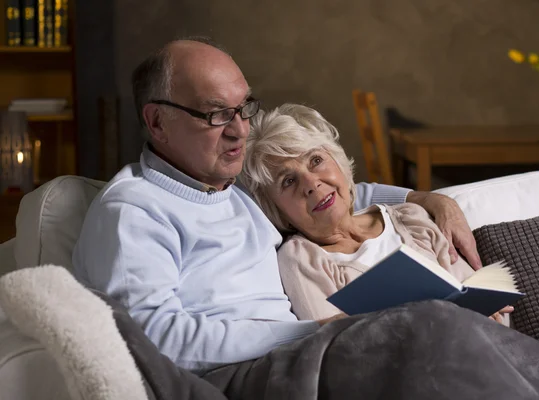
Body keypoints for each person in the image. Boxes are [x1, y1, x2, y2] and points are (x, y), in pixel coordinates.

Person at [72, 36, 483, 376]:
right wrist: (311, 332)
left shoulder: (232, 189)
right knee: (437, 334)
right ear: (158, 122)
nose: (238, 131)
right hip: (236, 376)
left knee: (447, 337)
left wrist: (429, 199)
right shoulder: (132, 211)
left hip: (297, 359)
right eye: (217, 115)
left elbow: (339, 194)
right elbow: (156, 339)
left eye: (243, 109)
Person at [239, 103, 512, 324]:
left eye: (316, 161)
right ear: (279, 212)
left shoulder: (411, 218)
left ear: (340, 164)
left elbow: (488, 308)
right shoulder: (302, 258)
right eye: (288, 181)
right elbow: (329, 348)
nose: (311, 185)